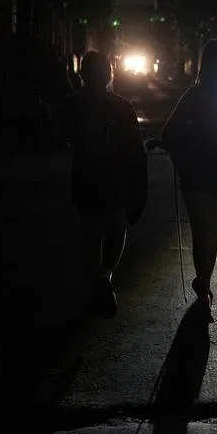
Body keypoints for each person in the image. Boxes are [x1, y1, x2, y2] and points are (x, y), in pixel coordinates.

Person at [160, 40, 217, 321]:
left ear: (203, 64)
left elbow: (169, 132)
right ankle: (205, 284)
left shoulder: (193, 95)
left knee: (201, 231)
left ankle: (204, 287)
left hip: (194, 169)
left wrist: (188, 144)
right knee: (212, 229)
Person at [62, 51, 149, 318]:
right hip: (116, 182)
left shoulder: (75, 105)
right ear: (109, 74)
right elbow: (137, 152)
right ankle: (105, 275)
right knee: (116, 231)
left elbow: (62, 133)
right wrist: (140, 190)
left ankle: (96, 281)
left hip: (86, 180)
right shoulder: (122, 107)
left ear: (83, 75)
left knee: (91, 234)